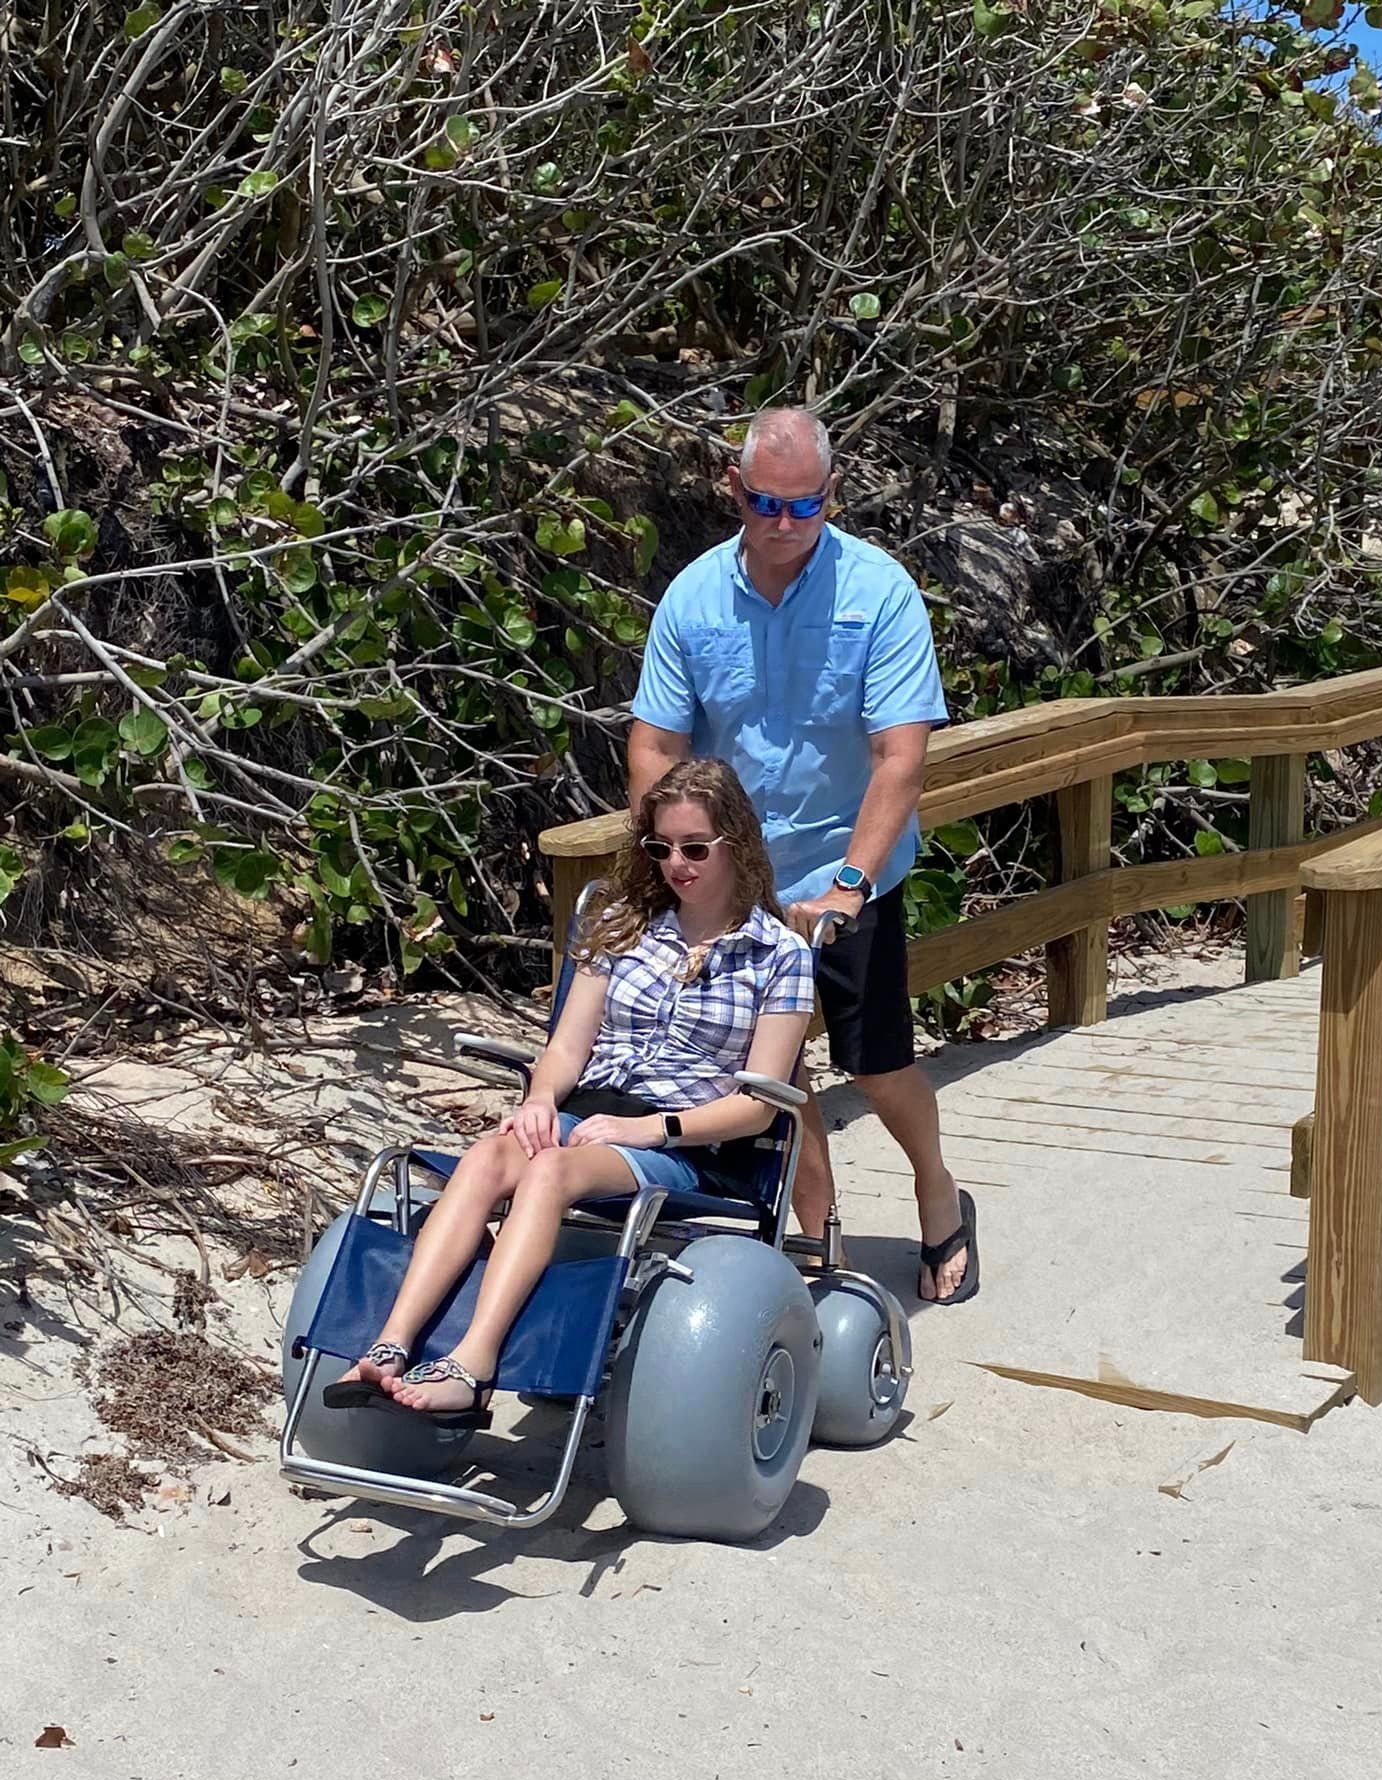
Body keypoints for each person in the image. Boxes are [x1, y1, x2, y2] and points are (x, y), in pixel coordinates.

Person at [328, 759, 816, 1420]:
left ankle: (473, 1363)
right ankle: (391, 1342)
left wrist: (650, 1129)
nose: (677, 864)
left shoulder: (779, 956)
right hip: (589, 1114)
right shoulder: (622, 926)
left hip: (688, 1140)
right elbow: (565, 1049)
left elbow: (758, 1106)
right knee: (488, 1156)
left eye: (695, 848)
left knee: (550, 1171)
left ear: (738, 844)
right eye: (661, 847)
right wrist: (538, 1100)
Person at [627, 406, 978, 1305]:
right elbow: (655, 746)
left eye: (805, 505)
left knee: (876, 1062)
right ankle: (819, 1245)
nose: (784, 522)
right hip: (734, 879)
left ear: (833, 495)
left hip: (846, 869)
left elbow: (900, 756)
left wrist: (851, 885)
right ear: (734, 488)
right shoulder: (693, 597)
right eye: (767, 503)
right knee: (771, 1071)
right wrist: (666, 862)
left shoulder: (879, 591)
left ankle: (937, 1189)